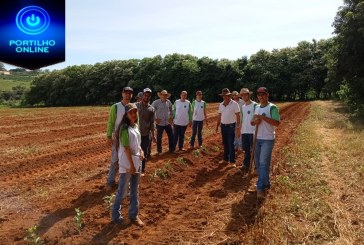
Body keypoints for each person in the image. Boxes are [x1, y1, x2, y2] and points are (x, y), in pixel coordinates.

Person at [111, 103, 144, 226]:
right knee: (123, 191)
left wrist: (141, 151)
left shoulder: (135, 126)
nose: (133, 114)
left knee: (135, 190)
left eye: (135, 112)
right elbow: (126, 148)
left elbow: (137, 143)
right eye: (131, 112)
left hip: (136, 162)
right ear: (126, 114)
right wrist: (132, 165)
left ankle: (133, 215)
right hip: (127, 164)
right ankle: (116, 217)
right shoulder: (124, 128)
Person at [251, 87, 280, 200]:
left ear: (267, 95)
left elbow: (277, 123)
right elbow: (252, 122)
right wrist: (255, 122)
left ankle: (260, 188)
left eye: (263, 94)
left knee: (263, 163)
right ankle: (266, 182)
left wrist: (263, 118)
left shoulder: (272, 107)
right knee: (259, 163)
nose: (261, 96)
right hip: (257, 138)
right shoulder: (257, 107)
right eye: (259, 95)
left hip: (267, 139)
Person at [106, 86, 133, 191]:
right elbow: (111, 122)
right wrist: (109, 136)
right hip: (118, 136)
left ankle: (127, 182)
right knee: (115, 159)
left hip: (130, 136)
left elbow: (136, 122)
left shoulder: (133, 107)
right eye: (126, 92)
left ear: (132, 95)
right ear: (122, 94)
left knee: (128, 159)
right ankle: (110, 181)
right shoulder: (116, 107)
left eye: (130, 93)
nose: (128, 94)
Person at [215, 88, 241, 165]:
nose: (225, 97)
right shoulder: (221, 105)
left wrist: (238, 126)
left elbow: (238, 116)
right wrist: (217, 126)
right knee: (225, 143)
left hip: (231, 126)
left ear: (229, 96)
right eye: (224, 96)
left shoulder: (234, 104)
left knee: (231, 143)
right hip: (223, 126)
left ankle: (232, 161)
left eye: (226, 96)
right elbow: (219, 116)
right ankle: (225, 159)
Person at [136, 88, 156, 176]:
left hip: (146, 134)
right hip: (136, 134)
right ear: (142, 95)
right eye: (145, 95)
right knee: (135, 152)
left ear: (149, 97)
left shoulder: (151, 109)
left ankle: (142, 169)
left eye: (148, 95)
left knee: (144, 152)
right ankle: (134, 169)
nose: (146, 97)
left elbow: (152, 123)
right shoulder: (135, 106)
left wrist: (153, 135)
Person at [239, 88, 257, 173]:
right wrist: (240, 129)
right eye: (242, 95)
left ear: (249, 95)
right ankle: (246, 164)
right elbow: (242, 119)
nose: (243, 96)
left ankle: (256, 167)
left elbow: (257, 116)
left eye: (245, 94)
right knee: (246, 149)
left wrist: (254, 119)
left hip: (253, 131)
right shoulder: (242, 107)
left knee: (254, 149)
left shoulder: (255, 105)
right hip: (244, 131)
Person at [152, 90, 174, 154]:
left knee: (171, 136)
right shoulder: (156, 102)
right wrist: (155, 119)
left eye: (165, 95)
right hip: (160, 123)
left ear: (167, 96)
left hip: (167, 123)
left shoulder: (168, 102)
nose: (164, 96)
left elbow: (171, 108)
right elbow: (151, 111)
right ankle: (159, 151)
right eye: (163, 95)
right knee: (159, 137)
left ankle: (171, 149)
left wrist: (171, 116)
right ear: (160, 95)